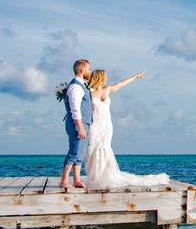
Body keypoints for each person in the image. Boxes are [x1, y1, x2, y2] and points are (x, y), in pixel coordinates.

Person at [85, 69, 169, 187]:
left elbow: (121, 83)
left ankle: (103, 176)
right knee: (93, 146)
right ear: (99, 78)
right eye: (105, 77)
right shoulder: (88, 92)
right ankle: (95, 176)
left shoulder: (106, 89)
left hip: (106, 125)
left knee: (105, 147)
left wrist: (135, 77)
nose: (106, 79)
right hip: (95, 124)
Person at [59, 59, 93, 189]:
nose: (89, 71)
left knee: (80, 152)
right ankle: (64, 181)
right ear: (81, 71)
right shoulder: (75, 87)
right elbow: (75, 109)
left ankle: (77, 180)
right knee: (74, 151)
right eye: (88, 69)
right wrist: (80, 127)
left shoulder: (82, 85)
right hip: (77, 123)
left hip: (83, 123)